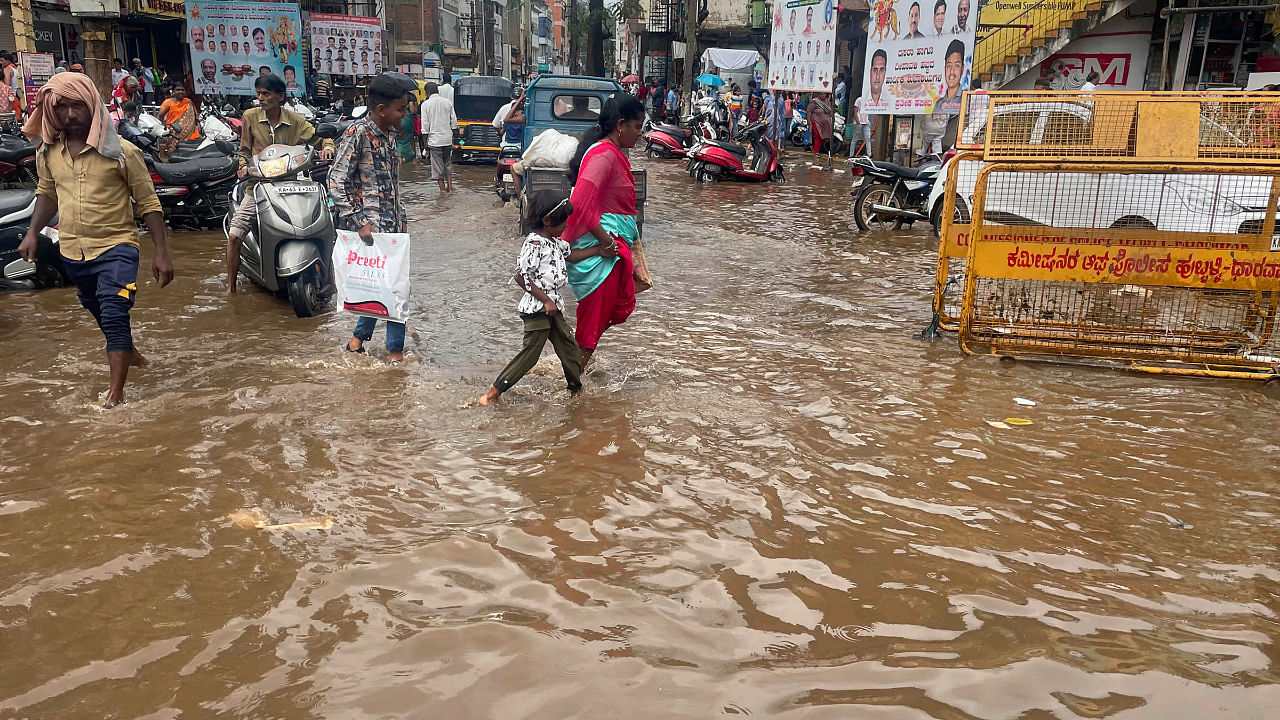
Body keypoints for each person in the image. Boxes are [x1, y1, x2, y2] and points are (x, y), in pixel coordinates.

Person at [17, 72, 173, 408]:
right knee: (95, 306)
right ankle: (129, 353)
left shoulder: (122, 153)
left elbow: (148, 204)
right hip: (73, 250)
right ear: (51, 111)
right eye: (62, 108)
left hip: (117, 246)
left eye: (78, 106)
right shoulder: (49, 153)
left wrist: (161, 253)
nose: (71, 115)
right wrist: (32, 233)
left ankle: (115, 396)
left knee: (115, 311)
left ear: (92, 107)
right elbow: (47, 193)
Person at [225, 73, 334, 294]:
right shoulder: (250, 117)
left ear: (280, 96)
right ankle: (230, 287)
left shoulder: (295, 121)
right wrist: (243, 166)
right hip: (257, 185)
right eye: (258, 94)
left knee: (329, 226)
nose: (261, 98)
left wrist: (328, 148)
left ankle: (332, 282)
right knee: (236, 234)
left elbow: (320, 138)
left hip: (293, 184)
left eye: (266, 93)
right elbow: (244, 150)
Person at [330, 74, 411, 363]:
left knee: (385, 288)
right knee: (395, 289)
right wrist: (358, 220)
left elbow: (393, 182)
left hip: (391, 230)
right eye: (400, 109)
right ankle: (395, 353)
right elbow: (336, 181)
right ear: (381, 110)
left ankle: (355, 343)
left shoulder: (390, 136)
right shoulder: (358, 134)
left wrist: (402, 218)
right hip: (369, 230)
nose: (404, 114)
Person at [562, 95, 646, 370]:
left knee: (593, 326)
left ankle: (573, 376)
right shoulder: (606, 156)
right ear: (621, 125)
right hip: (602, 258)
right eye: (637, 126)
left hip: (606, 253)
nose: (639, 133)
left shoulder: (607, 152)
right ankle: (569, 390)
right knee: (590, 330)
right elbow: (582, 205)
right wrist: (606, 243)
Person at [478, 191, 584, 405]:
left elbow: (570, 256)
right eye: (562, 221)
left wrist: (601, 250)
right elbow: (520, 276)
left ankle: (576, 389)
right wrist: (545, 300)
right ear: (547, 221)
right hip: (538, 309)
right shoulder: (534, 244)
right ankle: (492, 393)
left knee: (569, 347)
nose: (565, 226)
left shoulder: (554, 242)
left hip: (553, 308)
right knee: (531, 354)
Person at [420, 81, 458, 193]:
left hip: (434, 141)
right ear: (437, 91)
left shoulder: (425, 105)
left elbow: (425, 127)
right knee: (447, 164)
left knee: (437, 168)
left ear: (427, 93)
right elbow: (454, 123)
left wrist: (425, 143)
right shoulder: (447, 102)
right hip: (447, 139)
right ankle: (450, 188)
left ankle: (442, 192)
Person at [157, 83, 199, 161]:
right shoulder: (168, 102)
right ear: (173, 92)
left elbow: (195, 118)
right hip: (173, 131)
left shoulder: (188, 102)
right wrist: (162, 128)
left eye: (182, 90)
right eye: (178, 90)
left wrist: (198, 126)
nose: (180, 92)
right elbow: (160, 116)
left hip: (189, 132)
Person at [932, 40, 966, 115]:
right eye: (949, 66)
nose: (951, 72)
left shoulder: (966, 100)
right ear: (945, 68)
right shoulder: (938, 104)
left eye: (956, 65)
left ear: (962, 68)